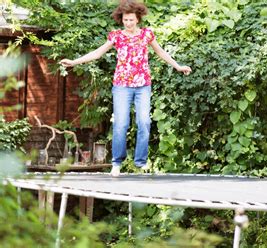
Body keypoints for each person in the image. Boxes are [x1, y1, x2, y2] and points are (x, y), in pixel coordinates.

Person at [60, 0, 192, 177]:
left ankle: (140, 162)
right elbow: (97, 53)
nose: (128, 23)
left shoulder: (147, 34)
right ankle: (117, 162)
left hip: (143, 85)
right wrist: (74, 62)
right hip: (122, 86)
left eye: (131, 20)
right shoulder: (116, 36)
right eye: (125, 20)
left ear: (138, 19)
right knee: (121, 124)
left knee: (144, 122)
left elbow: (161, 53)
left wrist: (177, 66)